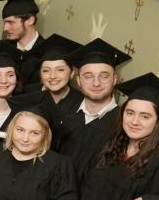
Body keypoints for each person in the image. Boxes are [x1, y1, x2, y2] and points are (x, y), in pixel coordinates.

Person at [56, 38, 131, 177]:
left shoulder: (125, 124)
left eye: (104, 76)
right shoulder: (63, 113)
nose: (96, 83)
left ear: (114, 80)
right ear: (78, 81)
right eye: (88, 76)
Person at [0, 0, 46, 92]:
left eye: (10, 22)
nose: (5, 28)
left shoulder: (47, 52)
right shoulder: (1, 48)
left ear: (30, 20)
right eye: (4, 23)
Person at [35, 34, 83, 121]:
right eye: (46, 70)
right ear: (40, 74)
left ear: (71, 73)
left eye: (60, 70)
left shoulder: (81, 101)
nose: (52, 76)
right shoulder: (27, 95)